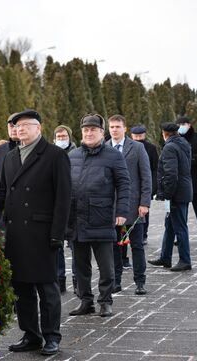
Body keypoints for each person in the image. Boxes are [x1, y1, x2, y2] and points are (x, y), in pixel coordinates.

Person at [0, 110, 71, 356]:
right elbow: (1, 194)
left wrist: (58, 233)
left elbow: (63, 198)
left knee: (47, 289)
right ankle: (31, 334)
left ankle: (51, 336)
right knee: (21, 289)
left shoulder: (54, 155)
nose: (20, 130)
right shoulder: (9, 157)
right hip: (16, 233)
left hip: (42, 232)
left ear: (38, 128)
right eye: (16, 126)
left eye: (25, 125)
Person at [68, 114, 130, 318]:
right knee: (80, 266)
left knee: (106, 266)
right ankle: (86, 301)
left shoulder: (113, 156)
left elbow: (124, 184)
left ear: (101, 133)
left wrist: (121, 211)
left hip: (102, 217)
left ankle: (105, 301)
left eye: (93, 130)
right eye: (85, 130)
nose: (89, 133)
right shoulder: (72, 156)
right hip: (77, 219)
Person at [107, 115, 151, 295]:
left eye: (117, 126)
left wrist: (144, 202)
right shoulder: (103, 148)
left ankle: (140, 281)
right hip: (112, 207)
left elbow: (146, 176)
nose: (114, 130)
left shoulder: (137, 148)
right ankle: (116, 281)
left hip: (134, 206)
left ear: (125, 128)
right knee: (114, 246)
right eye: (111, 127)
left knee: (137, 246)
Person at [148, 122, 193, 272]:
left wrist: (166, 194)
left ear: (164, 133)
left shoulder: (169, 147)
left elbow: (171, 174)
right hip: (183, 190)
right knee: (170, 226)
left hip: (176, 193)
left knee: (180, 227)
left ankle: (185, 260)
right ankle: (165, 257)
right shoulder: (183, 143)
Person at [176, 117, 197, 243]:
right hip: (181, 182)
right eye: (178, 124)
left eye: (183, 124)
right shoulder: (176, 139)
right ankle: (179, 235)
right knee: (180, 211)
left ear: (189, 125)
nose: (181, 126)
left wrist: (191, 159)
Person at [52, 125, 77, 294]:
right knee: (57, 246)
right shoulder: (51, 155)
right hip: (56, 205)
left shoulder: (77, 153)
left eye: (64, 136)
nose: (61, 138)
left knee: (76, 246)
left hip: (75, 205)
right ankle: (60, 279)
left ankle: (77, 279)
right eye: (58, 136)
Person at [130, 125, 159, 245]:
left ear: (144, 135)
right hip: (131, 185)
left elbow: (154, 169)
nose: (138, 138)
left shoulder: (151, 148)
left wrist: (153, 187)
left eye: (140, 136)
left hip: (146, 185)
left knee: (144, 211)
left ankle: (144, 234)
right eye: (135, 136)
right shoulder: (128, 147)